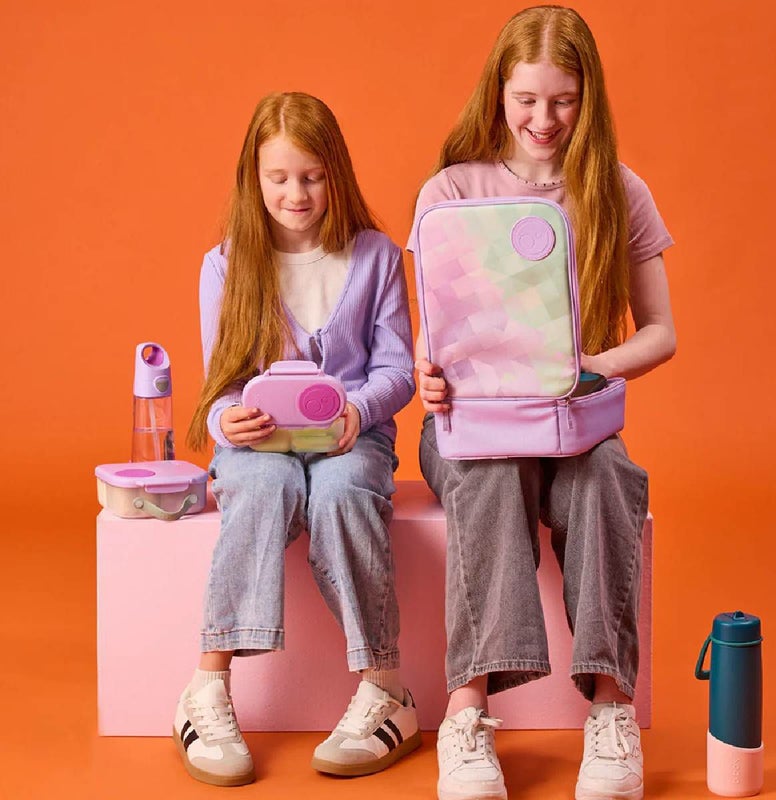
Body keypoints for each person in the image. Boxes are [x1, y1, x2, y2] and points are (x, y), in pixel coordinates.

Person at [410, 7, 676, 800]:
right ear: (498, 92)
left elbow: (661, 333)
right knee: (492, 479)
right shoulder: (452, 190)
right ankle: (466, 712)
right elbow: (435, 336)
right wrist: (430, 375)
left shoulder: (619, 189)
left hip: (572, 421)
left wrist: (592, 366)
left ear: (588, 98)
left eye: (563, 101)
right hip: (476, 424)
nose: (544, 119)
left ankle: (611, 710)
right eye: (527, 99)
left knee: (607, 480)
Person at [177, 92, 419, 787]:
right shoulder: (226, 264)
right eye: (279, 178)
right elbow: (221, 384)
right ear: (252, 178)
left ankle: (385, 687)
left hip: (351, 439)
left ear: (336, 173)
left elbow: (397, 369)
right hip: (260, 444)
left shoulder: (374, 256)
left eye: (312, 177)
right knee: (260, 486)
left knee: (343, 493)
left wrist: (358, 411)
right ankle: (207, 686)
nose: (296, 194)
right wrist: (226, 420)